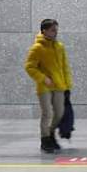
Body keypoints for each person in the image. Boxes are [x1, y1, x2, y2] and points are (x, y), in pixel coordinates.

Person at [24, 19, 73, 154]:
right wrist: (43, 78)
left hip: (59, 86)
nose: (55, 32)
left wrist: (67, 85)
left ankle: (50, 133)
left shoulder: (59, 47)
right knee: (47, 113)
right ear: (44, 31)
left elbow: (65, 67)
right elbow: (29, 67)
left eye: (56, 30)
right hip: (44, 87)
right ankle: (45, 139)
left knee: (59, 113)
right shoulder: (37, 48)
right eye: (52, 30)